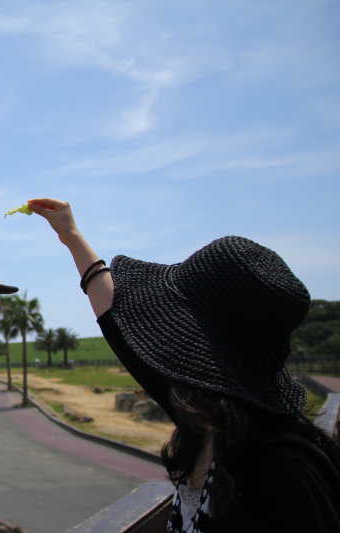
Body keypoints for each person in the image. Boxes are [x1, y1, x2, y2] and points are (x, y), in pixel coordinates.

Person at [27, 198, 340, 532]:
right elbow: (116, 320)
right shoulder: (210, 417)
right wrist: (71, 235)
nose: (159, 341)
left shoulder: (287, 475)